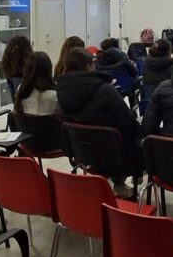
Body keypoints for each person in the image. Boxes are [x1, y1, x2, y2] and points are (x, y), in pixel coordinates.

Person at [55, 48, 141, 194]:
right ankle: (122, 183)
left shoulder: (60, 90)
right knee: (134, 135)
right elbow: (128, 121)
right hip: (113, 154)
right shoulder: (105, 89)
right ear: (88, 66)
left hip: (81, 152)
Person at [14, 51, 59, 115]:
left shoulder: (21, 91)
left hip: (25, 121)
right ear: (48, 70)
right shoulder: (55, 95)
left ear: (27, 70)